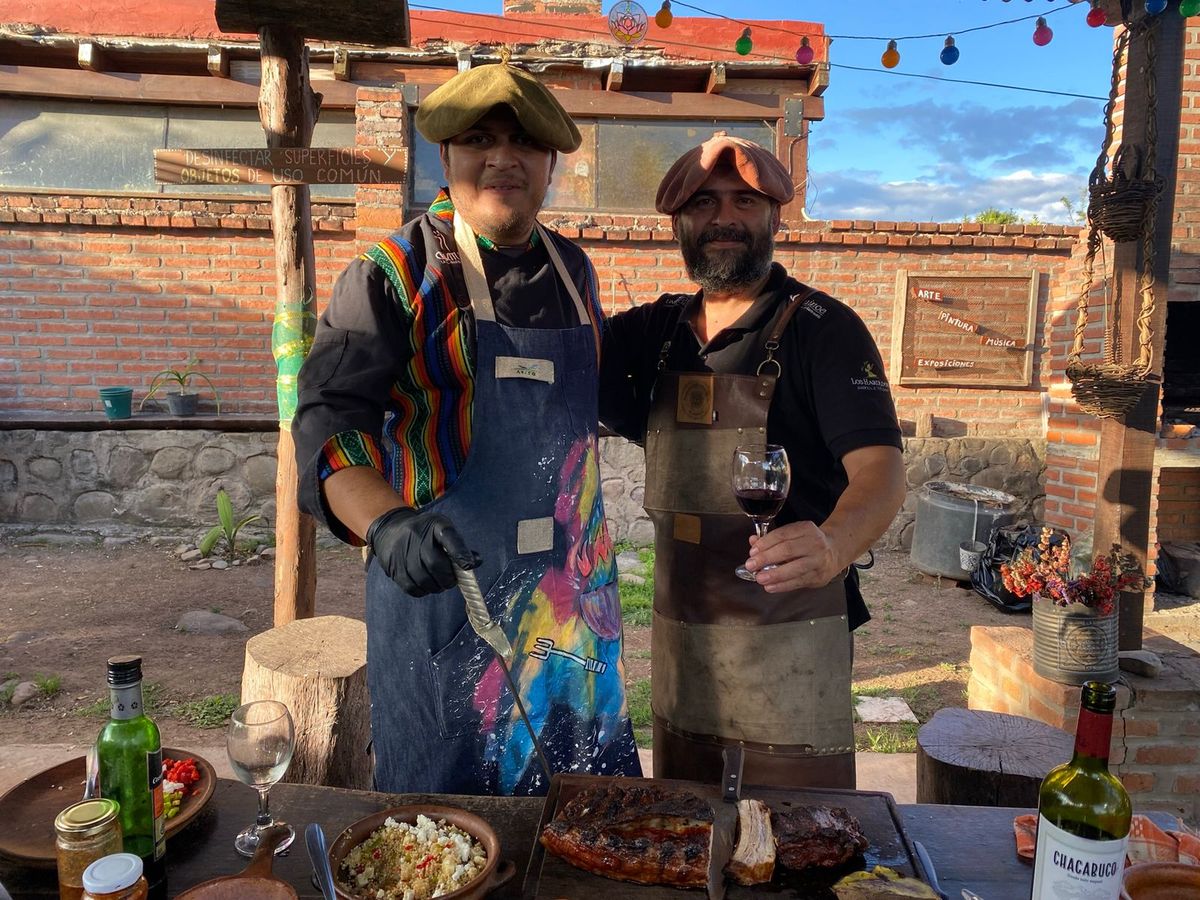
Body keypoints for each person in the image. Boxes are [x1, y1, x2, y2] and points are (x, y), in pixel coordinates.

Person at [293, 60, 641, 796]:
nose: (502, 158)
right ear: (446, 156)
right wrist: (386, 524)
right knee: (441, 825)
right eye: (480, 140)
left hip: (571, 610)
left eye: (524, 142)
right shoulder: (394, 273)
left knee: (584, 815)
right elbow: (332, 423)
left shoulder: (574, 271)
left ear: (549, 165)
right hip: (448, 604)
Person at [600, 134, 905, 789]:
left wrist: (834, 542)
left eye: (745, 201)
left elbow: (881, 471)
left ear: (774, 218)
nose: (724, 218)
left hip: (789, 633)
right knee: (685, 815)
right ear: (679, 224)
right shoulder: (654, 332)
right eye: (704, 203)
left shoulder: (825, 329)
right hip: (684, 634)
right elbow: (564, 355)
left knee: (794, 825)